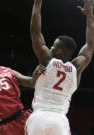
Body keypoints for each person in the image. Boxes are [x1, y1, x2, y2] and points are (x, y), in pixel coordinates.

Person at [25, 0, 94, 135]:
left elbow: (35, 31)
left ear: (59, 51)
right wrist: (90, 15)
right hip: (59, 120)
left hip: (39, 117)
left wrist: (37, 3)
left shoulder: (47, 60)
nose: (50, 47)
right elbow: (90, 46)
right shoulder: (76, 67)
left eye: (53, 45)